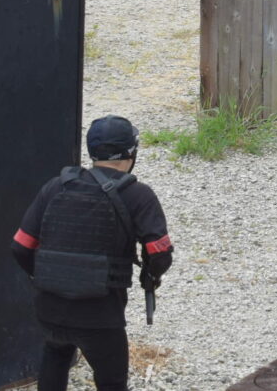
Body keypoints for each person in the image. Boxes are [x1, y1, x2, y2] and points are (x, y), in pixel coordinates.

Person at [11, 116, 173, 391]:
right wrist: (150, 276)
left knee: (56, 355)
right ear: (132, 152)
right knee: (112, 382)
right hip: (100, 314)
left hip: (50, 309)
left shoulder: (56, 186)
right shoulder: (138, 195)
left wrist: (50, 276)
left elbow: (20, 246)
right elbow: (160, 253)